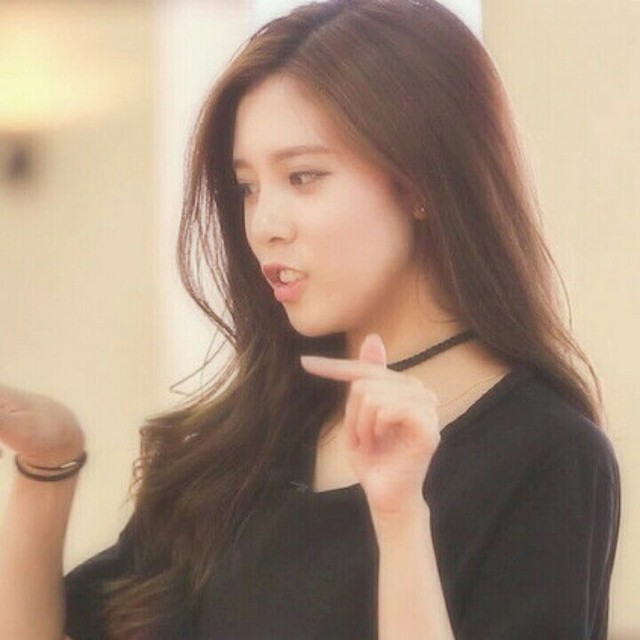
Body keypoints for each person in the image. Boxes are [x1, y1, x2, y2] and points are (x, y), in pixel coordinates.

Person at [0, 1, 620, 638]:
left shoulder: (547, 455)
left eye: (302, 177)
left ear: (419, 183)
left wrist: (400, 517)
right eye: (248, 187)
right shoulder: (248, 439)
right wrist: (49, 463)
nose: (264, 225)